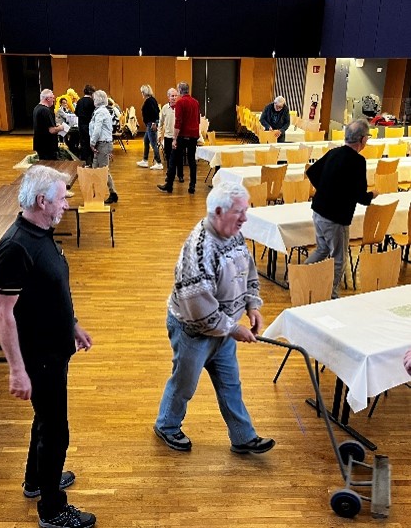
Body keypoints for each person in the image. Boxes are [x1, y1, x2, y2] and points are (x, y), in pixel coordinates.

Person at [0, 165, 96, 528]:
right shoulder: (15, 247)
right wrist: (17, 370)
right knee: (55, 431)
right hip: (39, 356)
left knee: (45, 420)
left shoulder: (41, 232)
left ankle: (36, 479)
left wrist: (72, 324)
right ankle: (52, 509)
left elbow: (49, 290)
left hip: (55, 347)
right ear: (41, 201)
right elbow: (3, 313)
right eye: (62, 198)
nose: (67, 203)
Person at [154, 182, 276, 455]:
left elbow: (247, 270)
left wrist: (252, 305)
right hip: (193, 332)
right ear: (219, 212)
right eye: (239, 212)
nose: (245, 218)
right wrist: (233, 328)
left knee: (230, 384)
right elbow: (198, 308)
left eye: (246, 211)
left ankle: (243, 437)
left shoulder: (233, 234)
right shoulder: (198, 249)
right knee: (184, 384)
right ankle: (167, 425)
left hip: (223, 329)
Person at [305, 119, 377, 298]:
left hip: (318, 211)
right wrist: (372, 194)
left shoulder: (334, 152)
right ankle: (331, 296)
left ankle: (299, 277)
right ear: (362, 140)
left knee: (322, 249)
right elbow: (361, 197)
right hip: (335, 218)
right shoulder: (358, 161)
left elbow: (312, 172)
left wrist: (325, 189)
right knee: (339, 259)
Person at [158, 82, 200, 195]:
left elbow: (178, 122)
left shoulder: (180, 102)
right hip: (193, 135)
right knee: (192, 160)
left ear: (180, 90)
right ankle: (192, 186)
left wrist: (175, 139)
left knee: (172, 160)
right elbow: (197, 120)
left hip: (182, 135)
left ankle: (169, 185)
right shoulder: (196, 102)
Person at [89, 90, 118, 205]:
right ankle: (96, 193)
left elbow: (97, 129)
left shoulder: (101, 112)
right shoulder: (101, 111)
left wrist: (92, 142)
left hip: (102, 144)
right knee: (95, 169)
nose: (93, 100)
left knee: (103, 170)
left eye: (94, 99)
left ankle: (112, 193)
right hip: (101, 143)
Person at [158, 87, 183, 183]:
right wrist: (159, 134)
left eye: (176, 95)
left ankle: (180, 175)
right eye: (172, 96)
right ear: (168, 97)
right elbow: (160, 123)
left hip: (178, 136)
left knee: (179, 156)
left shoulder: (180, 107)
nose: (174, 98)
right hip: (168, 136)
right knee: (168, 157)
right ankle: (170, 175)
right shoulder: (165, 108)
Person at [33, 89, 65, 160]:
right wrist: (61, 127)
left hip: (40, 144)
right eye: (53, 98)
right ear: (48, 99)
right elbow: (52, 130)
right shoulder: (45, 111)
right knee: (50, 165)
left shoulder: (36, 108)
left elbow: (43, 125)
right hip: (47, 146)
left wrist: (55, 125)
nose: (53, 100)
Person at [136, 84, 163, 170]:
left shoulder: (149, 101)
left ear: (144, 92)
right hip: (150, 124)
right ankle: (145, 160)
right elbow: (157, 111)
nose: (141, 94)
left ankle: (159, 162)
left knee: (153, 143)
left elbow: (155, 113)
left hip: (151, 124)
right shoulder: (152, 100)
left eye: (142, 92)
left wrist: (154, 123)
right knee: (146, 141)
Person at [75, 84, 96, 166]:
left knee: (83, 144)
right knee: (91, 143)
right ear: (92, 92)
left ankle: (84, 162)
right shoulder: (92, 102)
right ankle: (91, 162)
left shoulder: (79, 101)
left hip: (81, 125)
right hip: (90, 125)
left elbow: (76, 112)